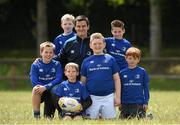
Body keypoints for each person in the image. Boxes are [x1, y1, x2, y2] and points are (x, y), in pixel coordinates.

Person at [80, 33, 121, 119]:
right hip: (92, 97)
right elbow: (83, 82)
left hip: (108, 96)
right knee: (90, 120)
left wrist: (117, 97)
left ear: (104, 44)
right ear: (90, 45)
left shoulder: (110, 59)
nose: (97, 46)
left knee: (110, 120)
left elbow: (117, 79)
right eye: (95, 44)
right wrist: (83, 98)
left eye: (100, 43)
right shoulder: (86, 61)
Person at [29, 41, 62, 119]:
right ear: (41, 53)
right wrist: (42, 87)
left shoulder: (57, 64)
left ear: (53, 54)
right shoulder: (35, 65)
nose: (48, 54)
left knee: (48, 117)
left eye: (51, 52)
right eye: (46, 52)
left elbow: (58, 79)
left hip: (51, 90)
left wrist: (46, 87)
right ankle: (36, 115)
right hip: (41, 90)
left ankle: (62, 113)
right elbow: (34, 82)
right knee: (35, 88)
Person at [56, 15, 93, 79]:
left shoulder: (94, 42)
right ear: (75, 27)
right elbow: (60, 59)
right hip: (72, 80)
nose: (81, 28)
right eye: (78, 26)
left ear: (88, 27)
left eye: (83, 26)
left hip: (90, 79)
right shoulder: (68, 43)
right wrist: (42, 60)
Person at [119, 47, 150, 119]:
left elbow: (146, 88)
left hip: (138, 102)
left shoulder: (142, 72)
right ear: (126, 58)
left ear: (138, 60)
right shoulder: (122, 73)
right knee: (123, 119)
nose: (132, 60)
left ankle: (148, 117)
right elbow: (120, 88)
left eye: (135, 58)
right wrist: (120, 101)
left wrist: (145, 102)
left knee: (139, 118)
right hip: (125, 102)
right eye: (130, 58)